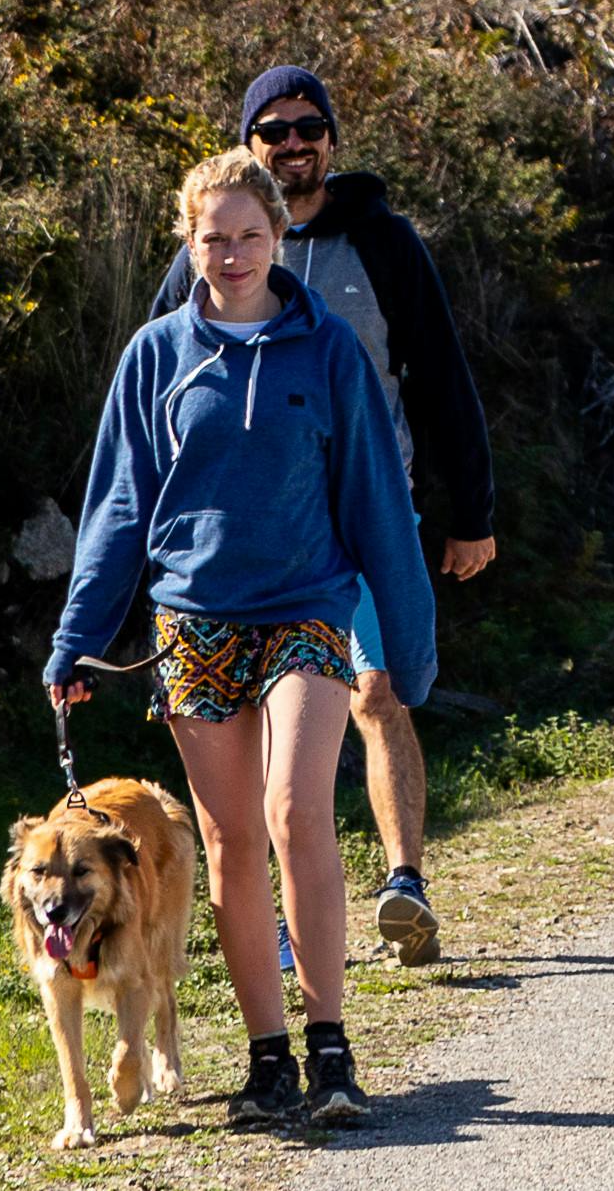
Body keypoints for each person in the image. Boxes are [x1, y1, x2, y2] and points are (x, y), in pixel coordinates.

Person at [50, 143, 437, 1132]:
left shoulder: (328, 350)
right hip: (192, 619)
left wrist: (404, 637)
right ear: (191, 240)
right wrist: (79, 637)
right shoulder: (155, 357)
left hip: (306, 605)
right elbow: (118, 507)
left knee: (297, 807)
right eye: (213, 237)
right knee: (225, 840)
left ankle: (331, 1045)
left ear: (278, 237)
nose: (230, 253)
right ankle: (268, 1059)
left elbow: (377, 502)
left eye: (249, 235)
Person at [149, 65, 496, 967]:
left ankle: (404, 882)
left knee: (376, 691)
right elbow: (156, 390)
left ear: (332, 140)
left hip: (366, 514)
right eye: (275, 130)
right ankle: (277, 915)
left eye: (310, 127)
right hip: (249, 536)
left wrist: (472, 511)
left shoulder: (384, 243)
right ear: (250, 145)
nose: (294, 142)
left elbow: (443, 376)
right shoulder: (209, 247)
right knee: (265, 723)